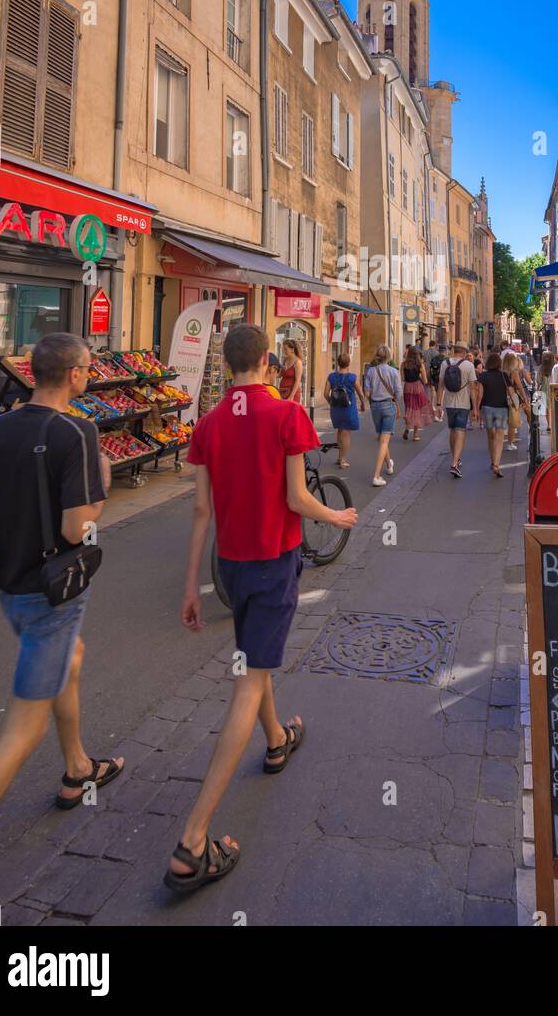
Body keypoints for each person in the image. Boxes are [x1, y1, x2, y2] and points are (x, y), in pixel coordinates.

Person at [168, 323, 357, 894]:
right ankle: (193, 840)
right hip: (275, 561)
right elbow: (297, 498)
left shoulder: (207, 424)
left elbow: (201, 511)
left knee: (255, 659)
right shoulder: (286, 416)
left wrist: (190, 587)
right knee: (249, 681)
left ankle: (276, 739)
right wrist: (339, 519)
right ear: (269, 364)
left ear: (226, 367)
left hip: (230, 566)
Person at [0, 333, 117, 858]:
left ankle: (77, 767)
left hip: (9, 585)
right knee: (17, 739)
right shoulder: (78, 432)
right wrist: (102, 497)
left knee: (72, 658)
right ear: (72, 374)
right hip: (53, 594)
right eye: (87, 369)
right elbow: (77, 530)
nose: (90, 375)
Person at [363, 345, 403, 486]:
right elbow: (398, 393)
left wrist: (367, 400)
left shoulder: (370, 371)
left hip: (375, 406)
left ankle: (389, 465)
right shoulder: (394, 371)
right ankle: (376, 476)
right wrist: (396, 402)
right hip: (388, 405)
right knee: (384, 441)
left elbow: (367, 393)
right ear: (389, 357)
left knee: (381, 437)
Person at [438, 343, 479, 479]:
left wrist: (438, 404)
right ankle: (455, 463)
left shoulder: (445, 363)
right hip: (463, 404)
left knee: (452, 430)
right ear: (464, 352)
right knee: (460, 431)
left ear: (455, 350)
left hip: (449, 403)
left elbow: (440, 386)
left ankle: (455, 459)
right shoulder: (469, 365)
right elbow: (473, 388)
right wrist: (475, 408)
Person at [323, 353, 364, 468]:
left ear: (338, 363)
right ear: (349, 363)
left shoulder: (331, 376)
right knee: (346, 434)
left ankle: (339, 457)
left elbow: (325, 394)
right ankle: (343, 460)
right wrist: (362, 404)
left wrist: (331, 402)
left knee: (340, 431)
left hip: (335, 409)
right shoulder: (353, 377)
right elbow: (361, 394)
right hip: (348, 408)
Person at [478, 352, 510, 477]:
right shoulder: (504, 375)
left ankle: (492, 462)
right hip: (501, 408)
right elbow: (511, 392)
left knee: (491, 436)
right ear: (499, 363)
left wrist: (476, 409)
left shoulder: (483, 376)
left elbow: (480, 395)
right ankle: (496, 464)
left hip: (486, 408)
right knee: (499, 437)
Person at [400, 345, 431, 442]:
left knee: (409, 408)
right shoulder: (420, 364)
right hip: (418, 387)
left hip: (408, 388)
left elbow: (403, 379)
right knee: (417, 409)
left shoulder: (403, 364)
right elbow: (425, 381)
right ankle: (416, 434)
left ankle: (407, 428)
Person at [502, 351, 532, 452]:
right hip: (512, 398)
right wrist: (525, 398)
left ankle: (498, 441)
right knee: (512, 422)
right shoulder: (514, 372)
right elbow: (519, 386)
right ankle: (510, 443)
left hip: (501, 397)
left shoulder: (501, 371)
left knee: (502, 422)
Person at [278, 339, 303, 403]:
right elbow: (279, 375)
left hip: (292, 393)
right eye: (283, 349)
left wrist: (291, 396)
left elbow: (298, 380)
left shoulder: (297, 362)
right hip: (282, 391)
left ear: (292, 350)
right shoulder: (285, 360)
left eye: (286, 349)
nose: (284, 351)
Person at [428, 345, 447, 420]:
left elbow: (430, 370)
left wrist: (429, 379)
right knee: (440, 398)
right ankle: (439, 414)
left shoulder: (434, 359)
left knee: (434, 393)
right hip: (441, 380)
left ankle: (435, 410)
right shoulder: (446, 360)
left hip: (435, 379)